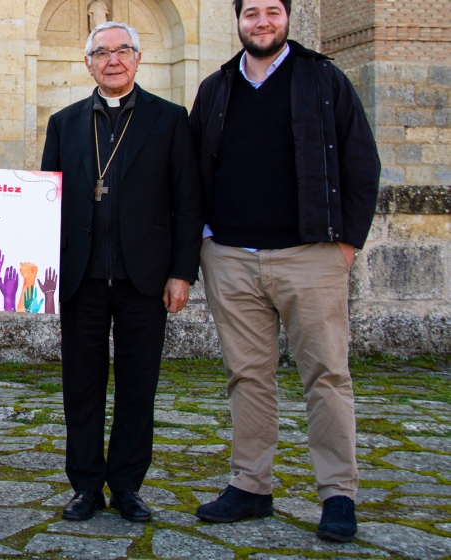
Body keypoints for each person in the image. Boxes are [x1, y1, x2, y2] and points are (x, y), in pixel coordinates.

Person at [189, 0, 380, 543]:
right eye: (252, 12)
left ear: (288, 17)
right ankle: (251, 485)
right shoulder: (217, 87)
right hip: (231, 257)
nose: (262, 21)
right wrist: (205, 242)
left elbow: (361, 161)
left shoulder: (323, 79)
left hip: (309, 255)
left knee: (327, 375)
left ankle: (338, 493)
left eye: (273, 10)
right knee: (248, 377)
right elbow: (196, 166)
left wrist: (345, 246)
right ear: (238, 20)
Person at [41, 21, 202, 522]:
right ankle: (86, 485)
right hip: (82, 277)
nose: (113, 60)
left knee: (138, 387)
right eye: (102, 52)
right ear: (88, 63)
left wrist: (182, 273)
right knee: (81, 386)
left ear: (138, 58)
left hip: (144, 279)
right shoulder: (65, 122)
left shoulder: (171, 119)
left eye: (123, 51)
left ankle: (128, 485)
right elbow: (48, 202)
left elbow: (187, 201)